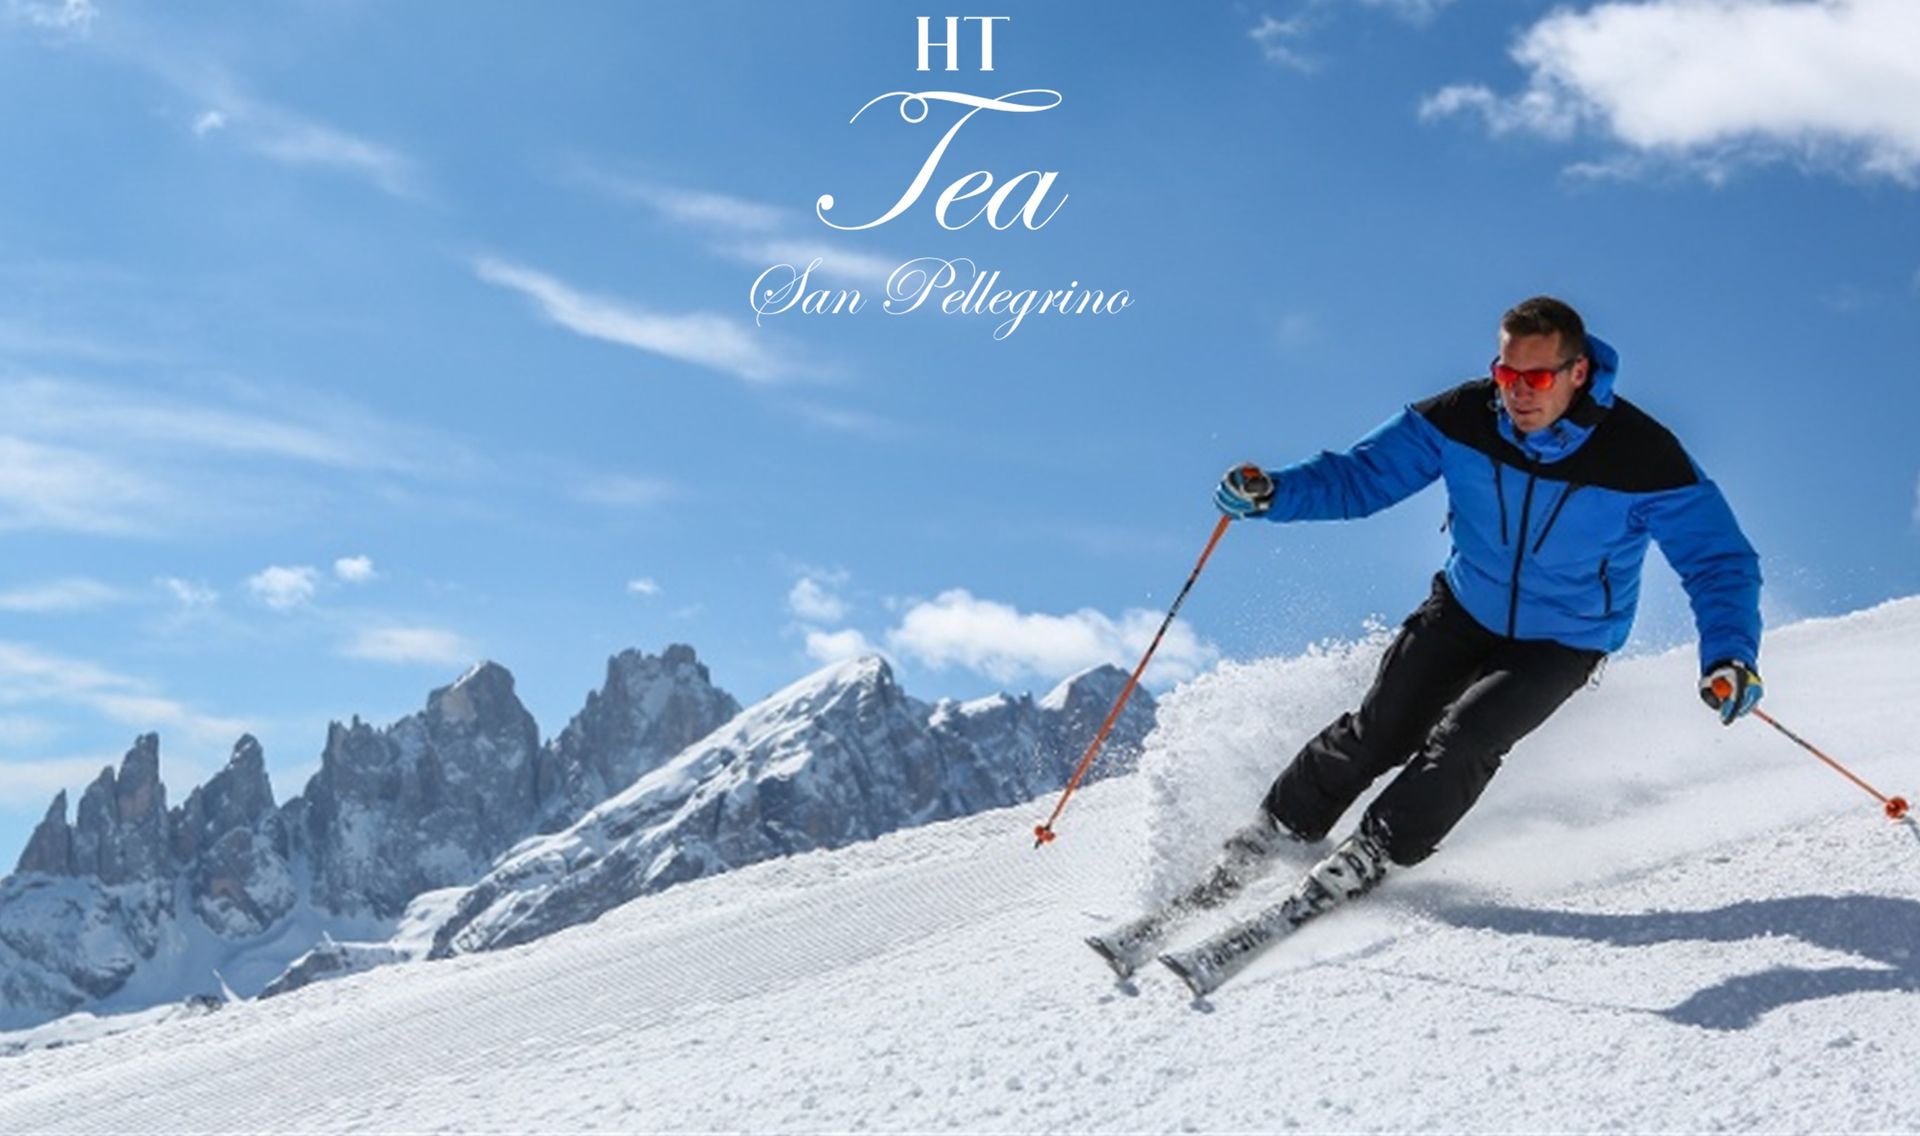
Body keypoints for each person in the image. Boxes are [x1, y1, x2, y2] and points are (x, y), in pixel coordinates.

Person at [1212, 295, 1764, 905]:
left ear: (1577, 373)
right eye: (1506, 374)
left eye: (1536, 378)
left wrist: (1729, 654)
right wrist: (1274, 493)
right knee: (1380, 732)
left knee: (1467, 737)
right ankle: (1275, 834)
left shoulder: (1644, 457)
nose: (1518, 393)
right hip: (1465, 606)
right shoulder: (1461, 418)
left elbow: (1719, 562)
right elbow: (1361, 477)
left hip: (1565, 638)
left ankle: (1370, 854)